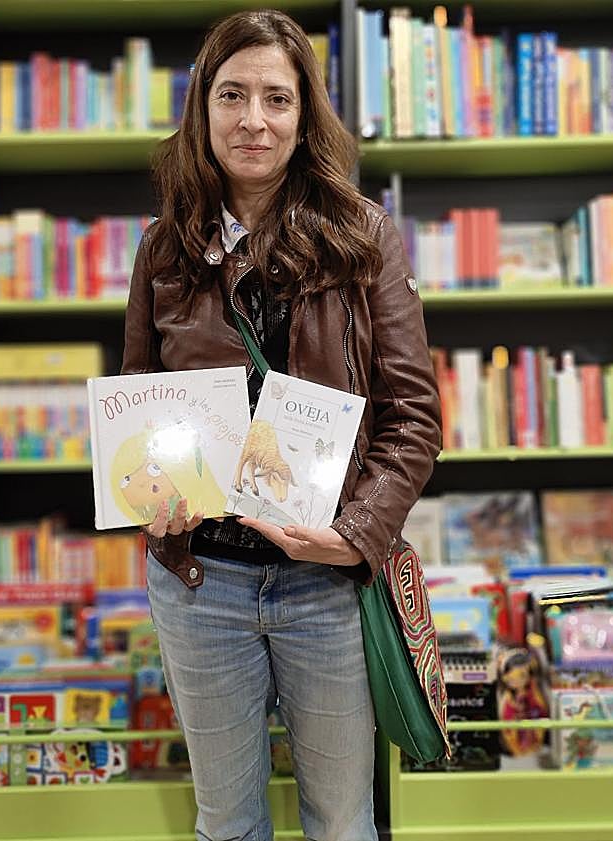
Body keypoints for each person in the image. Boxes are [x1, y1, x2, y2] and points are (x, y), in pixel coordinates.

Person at [121, 9, 441, 841]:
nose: (251, 120)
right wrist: (145, 495)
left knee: (341, 822)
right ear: (202, 109)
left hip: (325, 585)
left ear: (304, 119)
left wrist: (353, 537)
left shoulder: (363, 237)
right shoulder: (163, 249)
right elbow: (137, 404)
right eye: (231, 95)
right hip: (202, 582)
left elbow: (413, 418)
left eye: (275, 98)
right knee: (226, 823)